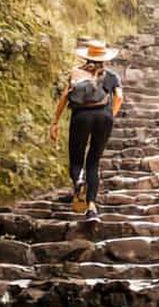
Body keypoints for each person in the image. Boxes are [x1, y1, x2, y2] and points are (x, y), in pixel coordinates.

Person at [49, 39, 123, 221]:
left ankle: (79, 180)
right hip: (103, 117)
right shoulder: (112, 76)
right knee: (94, 162)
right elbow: (119, 97)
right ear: (104, 58)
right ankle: (91, 207)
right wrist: (110, 114)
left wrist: (55, 122)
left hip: (81, 116)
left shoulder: (76, 74)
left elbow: (65, 97)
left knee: (76, 158)